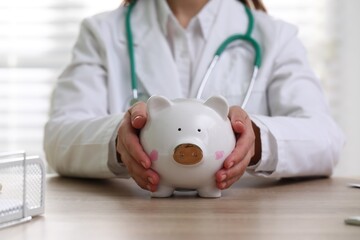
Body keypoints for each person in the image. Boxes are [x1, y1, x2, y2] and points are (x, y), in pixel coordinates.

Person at [44, 0, 344, 193]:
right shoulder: (102, 33)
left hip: (238, 223)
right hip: (133, 221)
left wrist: (255, 139)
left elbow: (326, 139)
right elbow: (58, 138)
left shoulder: (275, 36)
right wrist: (119, 142)